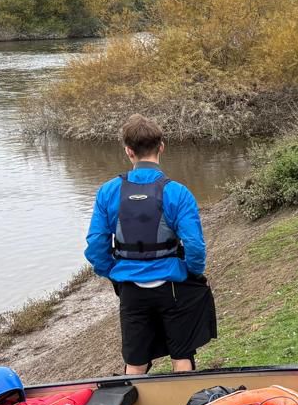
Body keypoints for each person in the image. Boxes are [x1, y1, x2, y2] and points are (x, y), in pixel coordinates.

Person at [85, 114, 215, 375]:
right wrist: (191, 271)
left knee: (135, 361)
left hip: (131, 289)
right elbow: (194, 245)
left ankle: (133, 399)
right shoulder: (177, 192)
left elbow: (96, 245)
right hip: (173, 287)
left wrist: (113, 271)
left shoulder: (108, 191)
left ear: (128, 151)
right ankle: (186, 399)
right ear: (161, 147)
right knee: (182, 355)